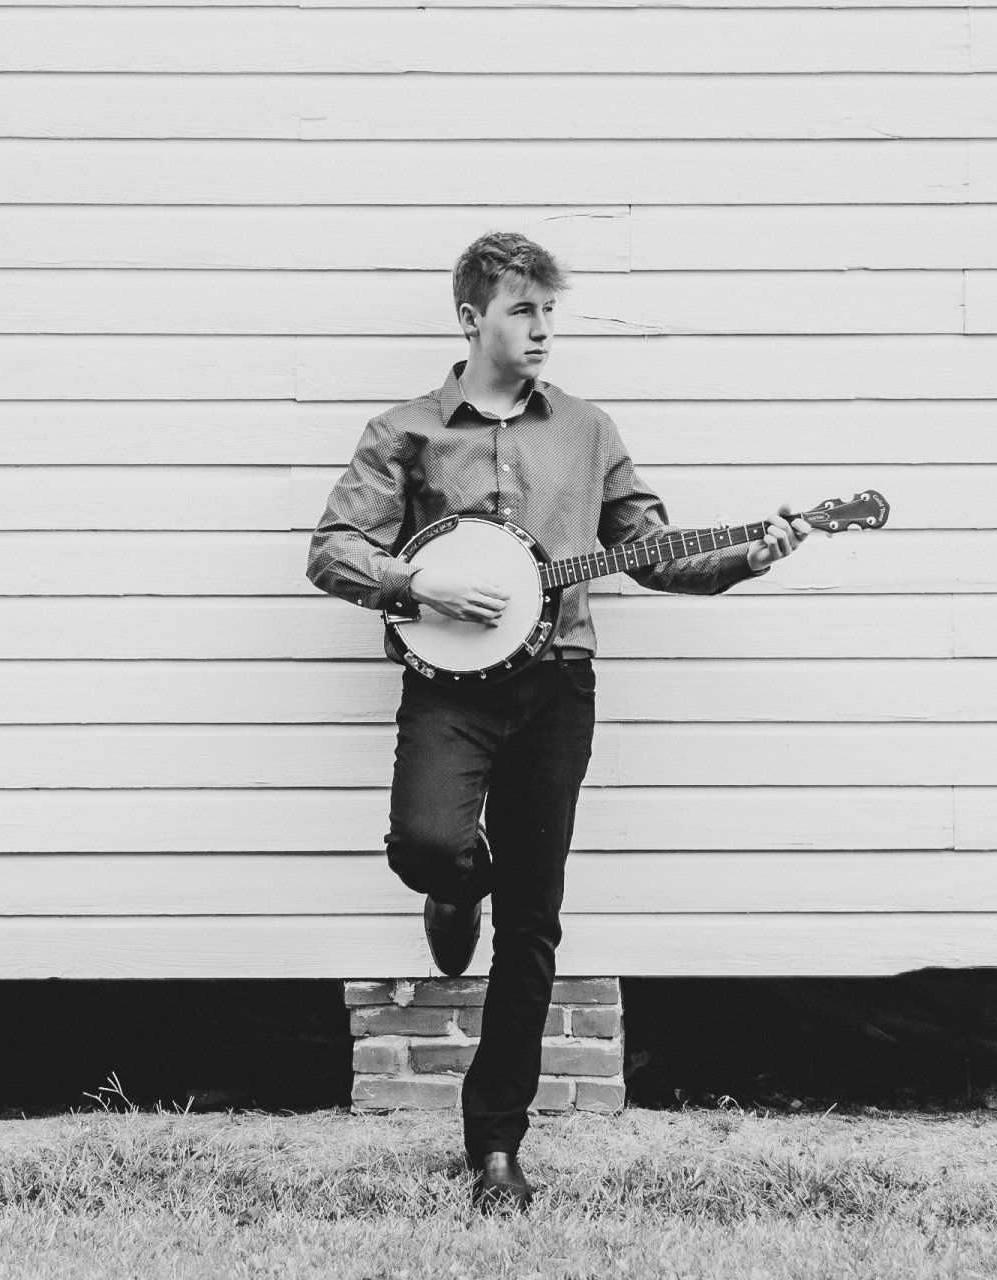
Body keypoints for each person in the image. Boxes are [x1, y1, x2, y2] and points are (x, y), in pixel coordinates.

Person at [306, 231, 811, 1210]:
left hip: (557, 686)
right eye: (522, 311)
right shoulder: (406, 430)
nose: (541, 330)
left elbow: (652, 551)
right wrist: (421, 582)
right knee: (425, 843)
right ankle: (456, 888)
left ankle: (496, 1143)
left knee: (532, 923)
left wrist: (754, 550)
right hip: (450, 691)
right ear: (472, 320)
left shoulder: (587, 430)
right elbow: (333, 550)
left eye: (549, 311)